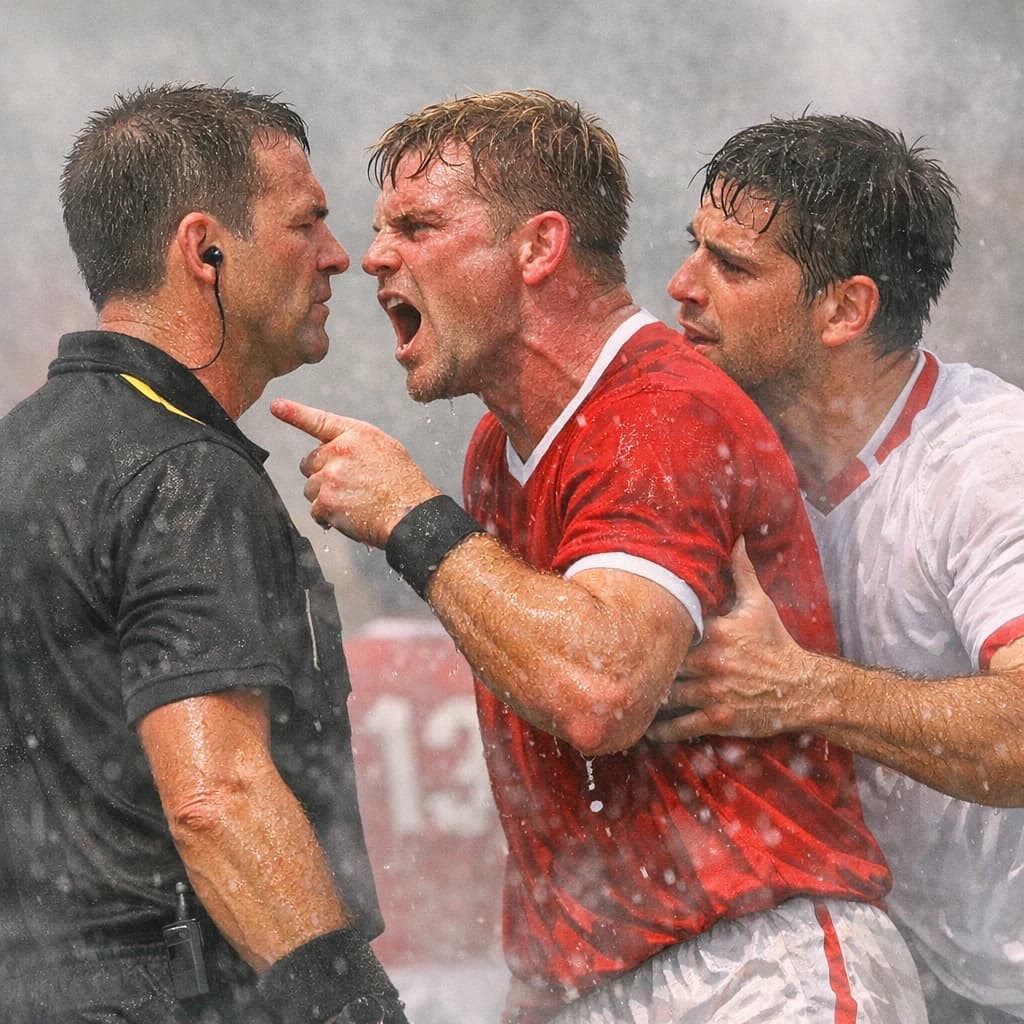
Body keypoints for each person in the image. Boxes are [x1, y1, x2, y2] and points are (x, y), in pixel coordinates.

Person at [271, 90, 926, 1023]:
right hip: (603, 983)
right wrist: (545, 980)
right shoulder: (497, 450)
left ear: (538, 247)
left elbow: (598, 691)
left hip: (754, 967)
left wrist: (412, 519)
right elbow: (558, 771)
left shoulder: (658, 410)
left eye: (417, 227)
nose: (373, 256)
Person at [0, 84, 407, 1024]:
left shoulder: (20, 452)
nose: (339, 256)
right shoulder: (184, 472)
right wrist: (352, 1009)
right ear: (204, 250)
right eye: (306, 223)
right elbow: (217, 799)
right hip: (170, 993)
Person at [651, 113, 1024, 1023]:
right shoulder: (732, 451)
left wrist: (805, 690)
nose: (682, 285)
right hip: (898, 967)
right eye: (693, 247)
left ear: (845, 311)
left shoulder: (988, 462)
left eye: (731, 266)